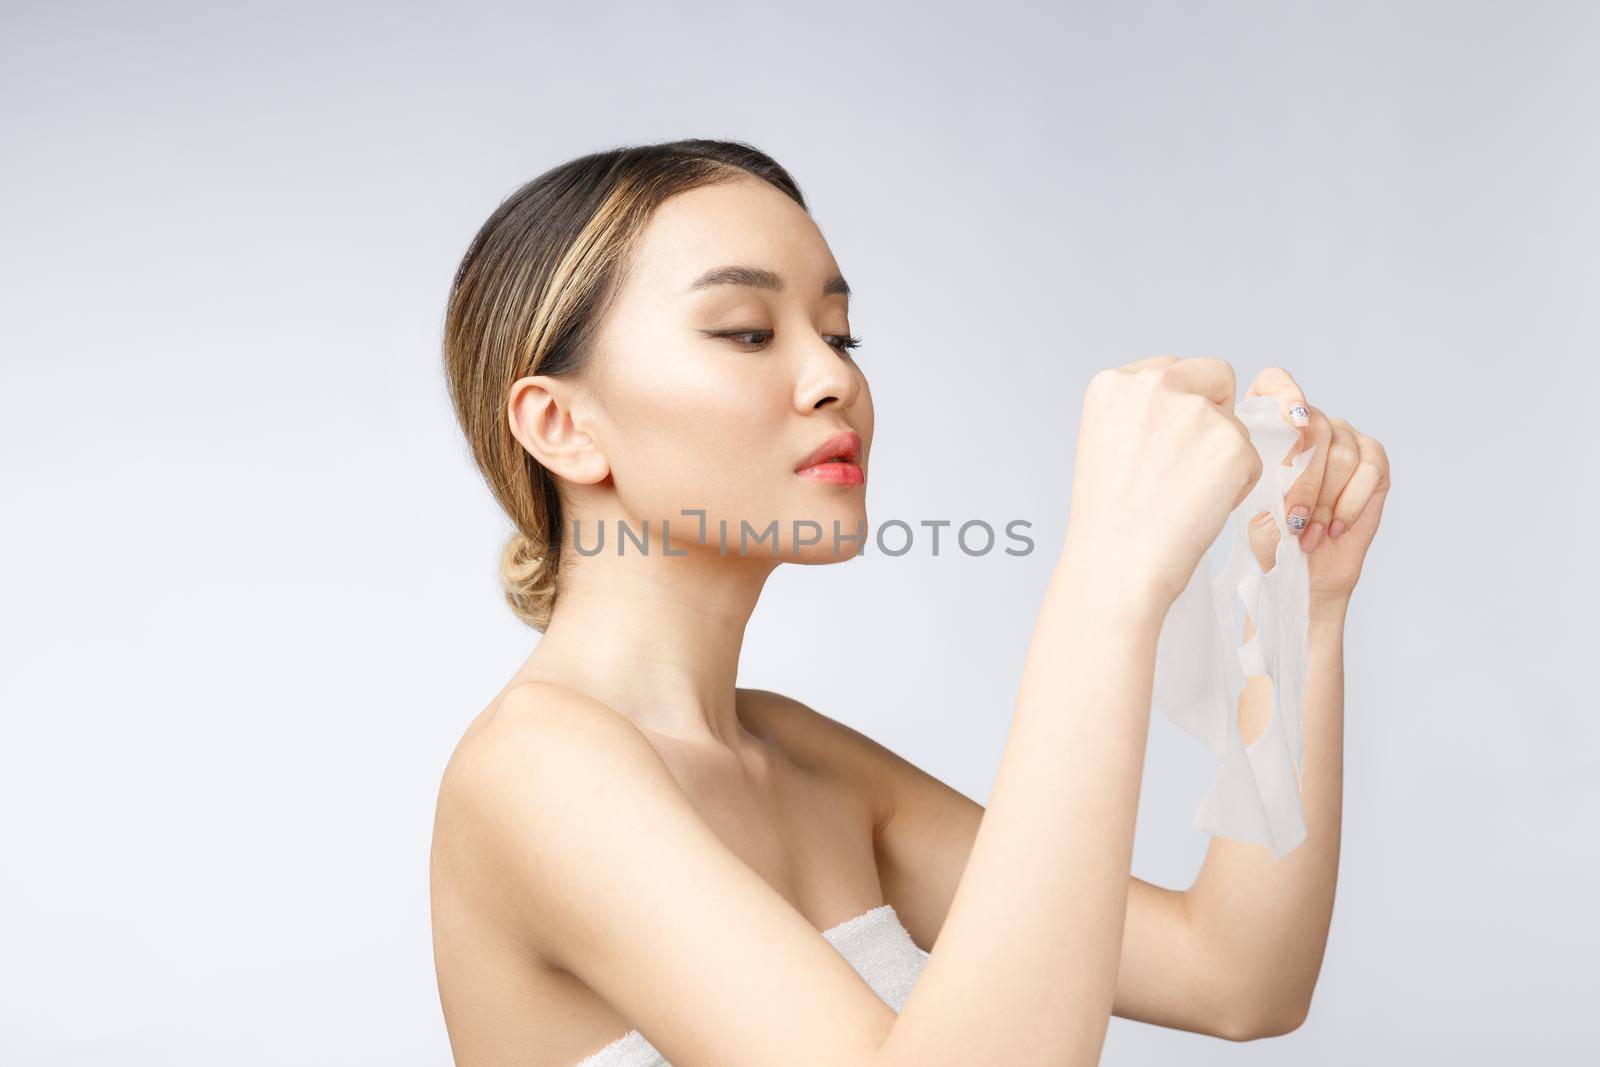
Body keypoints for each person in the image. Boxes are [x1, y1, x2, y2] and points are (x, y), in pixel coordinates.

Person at [428, 138, 1392, 1066]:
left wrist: (1297, 601)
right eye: (748, 333)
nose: (835, 378)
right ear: (560, 424)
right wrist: (1107, 579)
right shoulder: (535, 768)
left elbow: (1238, 977)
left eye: (840, 334)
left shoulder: (799, 756)